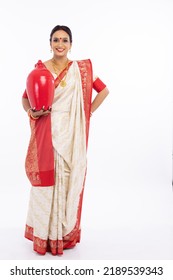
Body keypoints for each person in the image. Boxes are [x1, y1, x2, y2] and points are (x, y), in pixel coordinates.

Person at [22, 25, 109, 255]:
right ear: (49, 43)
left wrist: (86, 112)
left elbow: (103, 90)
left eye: (65, 40)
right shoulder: (40, 70)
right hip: (47, 132)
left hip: (72, 133)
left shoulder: (81, 70)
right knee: (47, 182)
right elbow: (25, 98)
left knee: (68, 179)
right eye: (56, 40)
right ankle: (46, 235)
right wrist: (32, 112)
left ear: (71, 44)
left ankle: (62, 233)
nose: (60, 44)